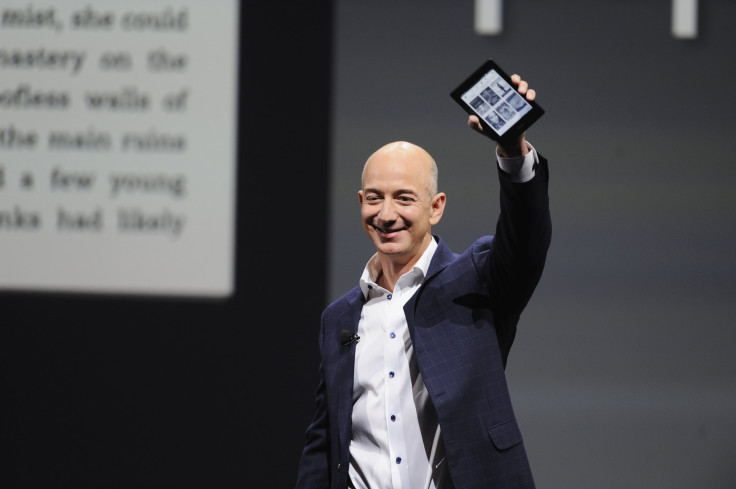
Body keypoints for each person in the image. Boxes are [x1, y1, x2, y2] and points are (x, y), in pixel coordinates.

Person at [296, 75, 551, 489]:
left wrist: (512, 149)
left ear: (436, 208)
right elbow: (325, 441)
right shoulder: (339, 318)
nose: (387, 213)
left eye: (404, 197)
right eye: (375, 197)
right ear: (361, 203)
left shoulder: (477, 279)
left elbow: (525, 240)